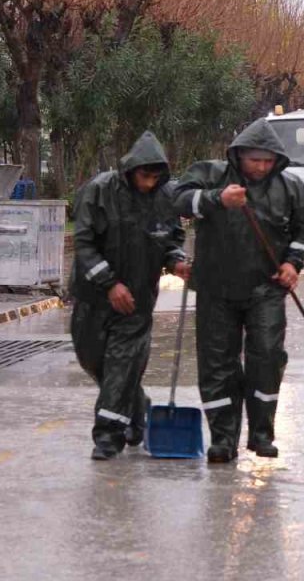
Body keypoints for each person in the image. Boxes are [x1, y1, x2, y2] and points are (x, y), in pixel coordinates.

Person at [174, 117, 304, 463]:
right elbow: (177, 200)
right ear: (239, 155)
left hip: (266, 289)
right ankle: (223, 438)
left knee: (266, 357)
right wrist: (216, 199)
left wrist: (292, 263)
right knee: (217, 364)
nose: (261, 167)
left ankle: (262, 434)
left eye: (268, 161)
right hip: (215, 289)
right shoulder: (210, 174)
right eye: (255, 160)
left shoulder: (291, 188)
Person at [71, 131, 189, 460]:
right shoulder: (100, 191)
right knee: (94, 361)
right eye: (144, 176)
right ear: (130, 170)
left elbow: (171, 239)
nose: (149, 183)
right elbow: (83, 243)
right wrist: (110, 284)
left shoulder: (166, 197)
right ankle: (138, 408)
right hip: (92, 297)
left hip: (135, 303)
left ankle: (108, 437)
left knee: (121, 366)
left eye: (155, 177)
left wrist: (177, 261)